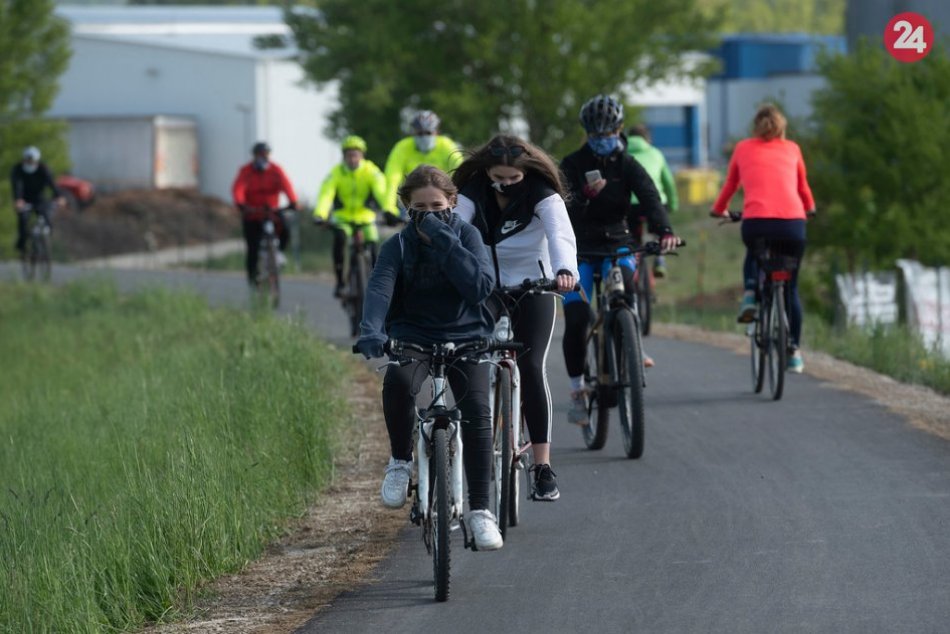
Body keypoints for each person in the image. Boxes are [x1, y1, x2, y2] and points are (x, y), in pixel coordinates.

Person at [354, 164, 503, 551]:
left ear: (452, 202)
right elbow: (380, 288)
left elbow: (479, 287)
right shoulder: (398, 245)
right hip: (414, 335)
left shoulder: (468, 236)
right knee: (399, 381)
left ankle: (481, 512)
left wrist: (443, 239)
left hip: (467, 335)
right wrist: (372, 330)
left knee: (477, 412)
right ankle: (400, 462)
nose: (430, 215)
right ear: (406, 207)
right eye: (420, 208)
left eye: (438, 207)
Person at [453, 135, 578, 502]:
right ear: (485, 171)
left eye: (512, 178)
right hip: (486, 285)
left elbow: (560, 235)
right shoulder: (472, 191)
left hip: (534, 283)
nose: (504, 184)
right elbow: (454, 230)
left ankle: (541, 466)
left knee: (531, 365)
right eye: (497, 177)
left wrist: (565, 270)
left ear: (526, 172)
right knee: (468, 356)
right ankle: (464, 443)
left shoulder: (543, 194)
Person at [559, 95, 680, 425]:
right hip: (579, 249)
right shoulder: (571, 164)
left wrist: (664, 230)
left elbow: (651, 196)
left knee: (625, 291)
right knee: (577, 318)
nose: (603, 141)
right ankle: (577, 391)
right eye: (596, 136)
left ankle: (630, 343)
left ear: (620, 130)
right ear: (586, 134)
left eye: (609, 133)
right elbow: (558, 209)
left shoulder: (627, 163)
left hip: (618, 242)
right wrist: (584, 198)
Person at [711, 103, 815, 374]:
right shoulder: (792, 149)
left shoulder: (743, 148)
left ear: (755, 126)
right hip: (793, 225)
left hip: (757, 222)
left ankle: (748, 294)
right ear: (782, 128)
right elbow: (803, 187)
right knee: (791, 289)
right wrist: (810, 207)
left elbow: (731, 184)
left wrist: (718, 209)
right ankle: (793, 350)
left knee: (755, 252)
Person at [313, 135, 394, 297]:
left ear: (362, 155)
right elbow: (326, 194)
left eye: (355, 154)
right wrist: (320, 214)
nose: (352, 158)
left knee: (373, 245)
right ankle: (340, 282)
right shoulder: (336, 173)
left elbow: (382, 192)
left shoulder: (371, 171)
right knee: (340, 239)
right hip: (342, 218)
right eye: (348, 155)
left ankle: (376, 283)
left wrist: (389, 211)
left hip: (365, 218)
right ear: (344, 156)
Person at [231, 142, 298, 286]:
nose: (263, 158)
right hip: (253, 214)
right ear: (254, 156)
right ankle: (253, 281)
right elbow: (239, 188)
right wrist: (241, 204)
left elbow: (287, 186)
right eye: (259, 155)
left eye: (265, 155)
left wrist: (293, 201)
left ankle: (278, 254)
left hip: (272, 212)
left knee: (285, 229)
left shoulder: (276, 170)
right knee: (253, 249)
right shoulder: (246, 171)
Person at [383, 110, 463, 214]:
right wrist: (388, 208)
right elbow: (392, 178)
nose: (424, 137)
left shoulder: (447, 145)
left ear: (436, 132)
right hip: (412, 203)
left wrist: (461, 205)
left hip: (441, 201)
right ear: (413, 133)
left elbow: (461, 173)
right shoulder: (402, 147)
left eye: (428, 133)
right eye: (420, 133)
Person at [626, 123, 679, 278]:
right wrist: (672, 205)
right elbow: (669, 183)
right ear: (647, 139)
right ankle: (660, 257)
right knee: (659, 229)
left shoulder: (621, 155)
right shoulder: (656, 153)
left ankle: (632, 265)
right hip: (654, 202)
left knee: (632, 240)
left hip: (629, 205)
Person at [11, 146, 65, 255]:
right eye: (28, 161)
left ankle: (45, 243)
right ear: (24, 159)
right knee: (23, 220)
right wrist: (18, 200)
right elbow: (17, 186)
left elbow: (52, 184)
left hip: (39, 198)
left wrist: (59, 197)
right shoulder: (17, 170)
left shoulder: (43, 169)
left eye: (32, 161)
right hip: (24, 199)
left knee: (46, 217)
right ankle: (22, 245)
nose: (30, 163)